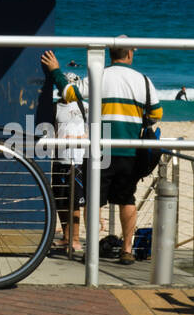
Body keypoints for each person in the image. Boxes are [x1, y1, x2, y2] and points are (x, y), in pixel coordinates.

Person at [41, 41, 162, 264]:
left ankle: (93, 250)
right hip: (130, 149)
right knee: (127, 198)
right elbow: (156, 114)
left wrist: (56, 70)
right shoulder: (143, 81)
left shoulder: (100, 76)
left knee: (93, 201)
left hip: (100, 148)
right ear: (130, 53)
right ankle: (127, 250)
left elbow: (69, 94)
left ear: (111, 53)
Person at [39, 56, 87, 255]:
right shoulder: (56, 107)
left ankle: (75, 239)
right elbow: (51, 129)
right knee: (60, 199)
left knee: (74, 200)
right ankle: (67, 237)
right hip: (59, 159)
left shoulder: (84, 106)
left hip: (77, 160)